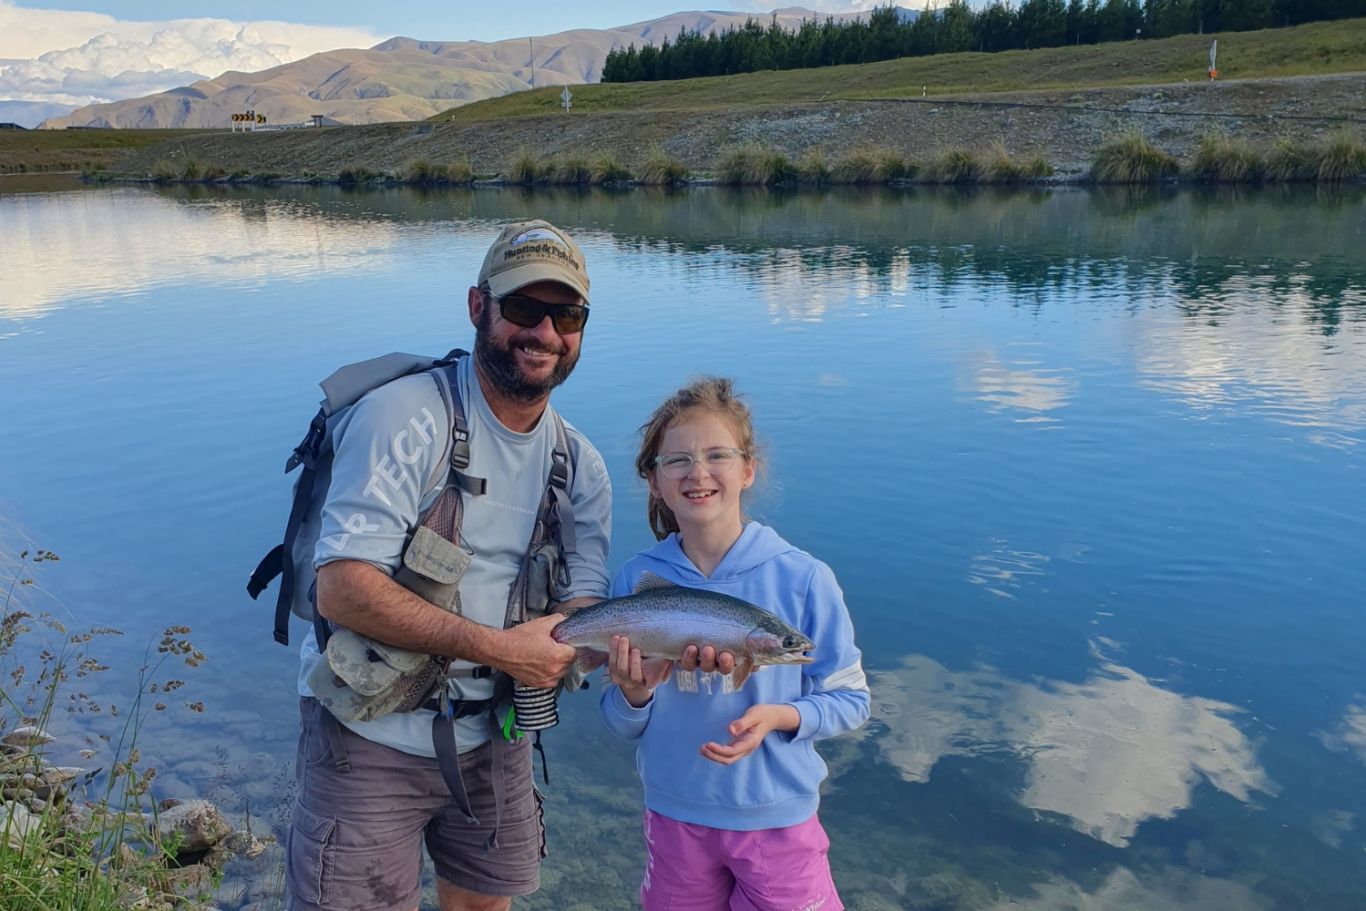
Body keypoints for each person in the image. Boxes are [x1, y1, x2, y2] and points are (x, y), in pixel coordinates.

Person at [286, 220, 612, 911]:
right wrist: (501, 648)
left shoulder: (581, 466)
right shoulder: (403, 417)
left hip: (499, 736)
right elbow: (341, 588)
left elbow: (588, 608)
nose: (545, 332)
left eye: (567, 314)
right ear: (477, 307)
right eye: (524, 308)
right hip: (367, 732)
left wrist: (641, 663)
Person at [601, 377, 870, 911]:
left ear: (748, 470)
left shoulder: (804, 579)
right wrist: (635, 695)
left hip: (778, 820)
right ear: (653, 482)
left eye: (716, 455)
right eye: (676, 460)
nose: (697, 472)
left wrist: (779, 717)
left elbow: (851, 699)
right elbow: (618, 718)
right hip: (674, 816)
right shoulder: (635, 580)